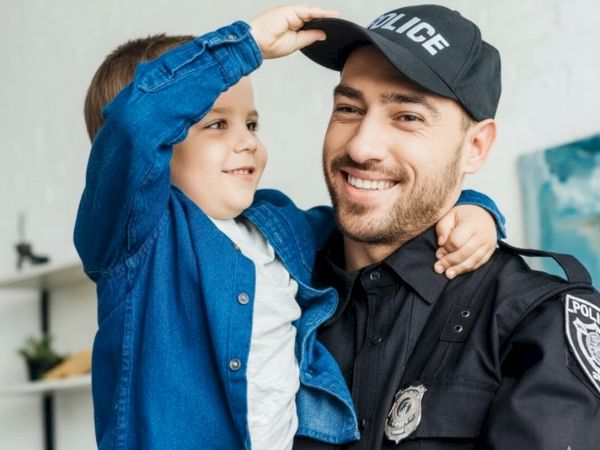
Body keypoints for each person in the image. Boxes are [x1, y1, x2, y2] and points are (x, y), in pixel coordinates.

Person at [74, 5, 506, 449]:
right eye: (216, 124)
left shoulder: (275, 226)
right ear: (159, 150)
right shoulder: (134, 240)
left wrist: (474, 206)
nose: (248, 141)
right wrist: (242, 48)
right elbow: (134, 125)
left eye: (251, 123)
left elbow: (377, 220)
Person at [292, 4, 600, 449]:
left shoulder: (538, 322)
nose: (362, 146)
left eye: (408, 117)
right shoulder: (275, 295)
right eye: (348, 108)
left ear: (475, 147)